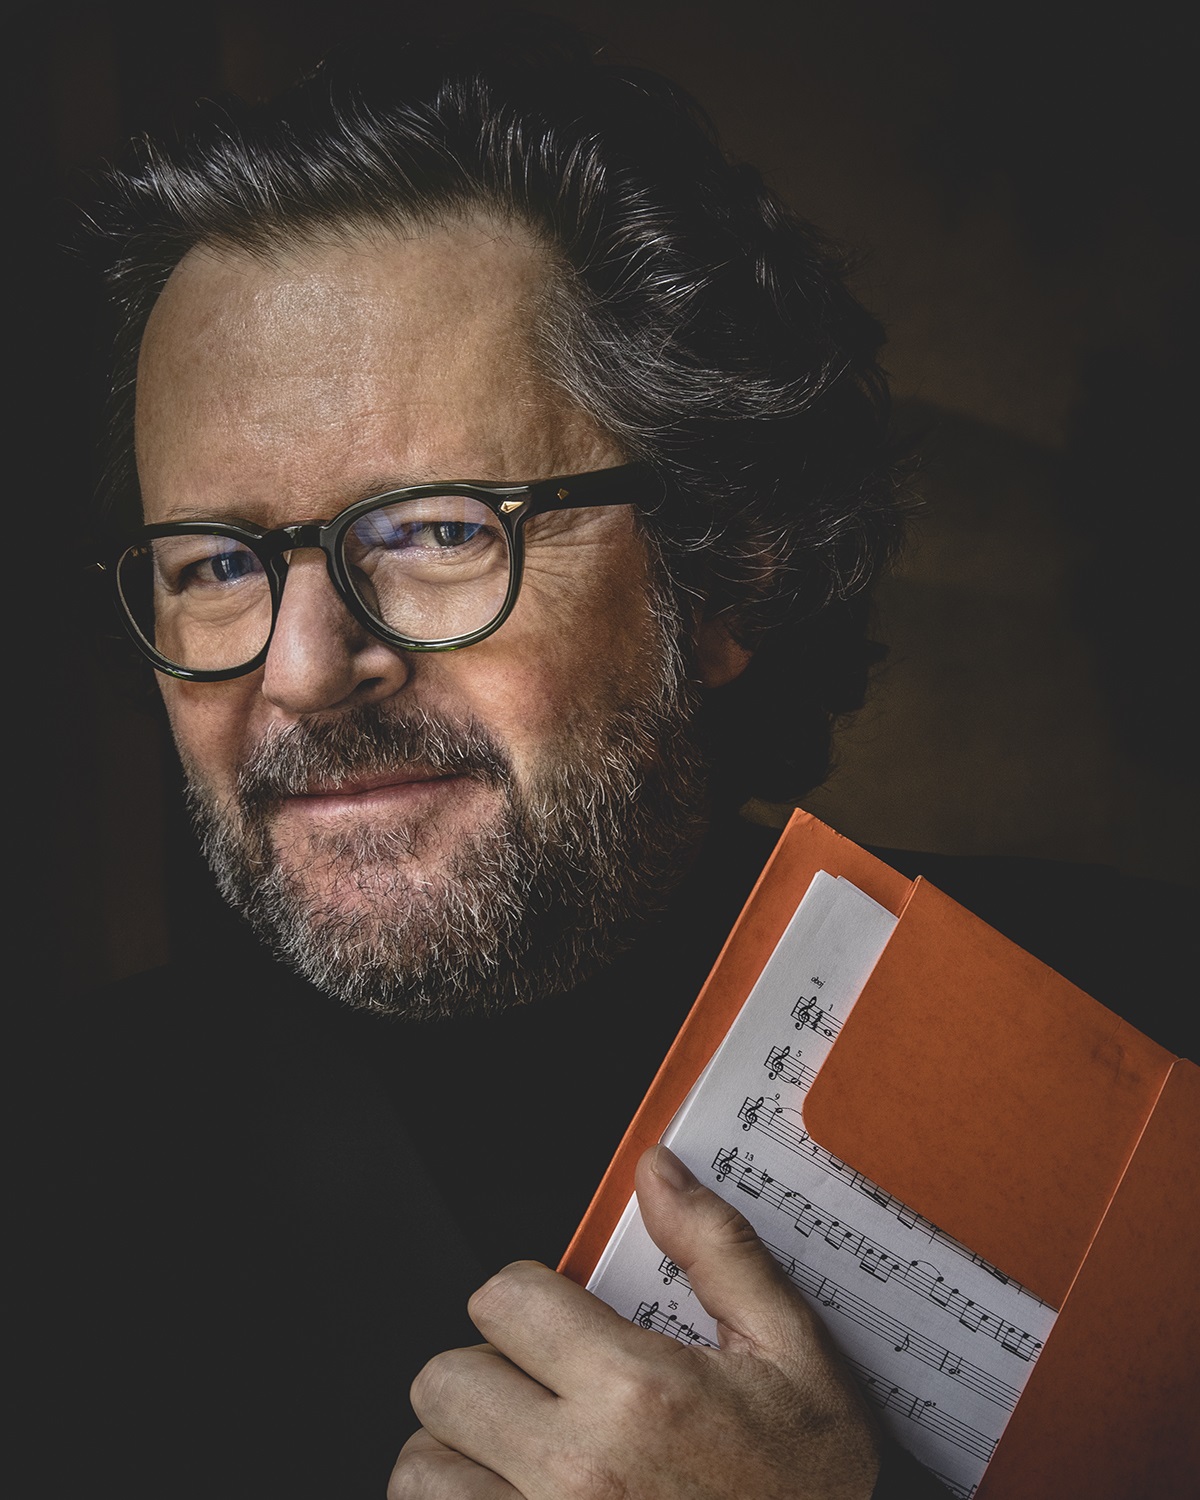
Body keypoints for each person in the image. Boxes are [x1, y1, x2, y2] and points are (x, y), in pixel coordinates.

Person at [55, 17, 1188, 1500]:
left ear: (728, 574)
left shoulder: (1155, 1042)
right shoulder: (45, 1166)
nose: (304, 670)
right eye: (213, 563)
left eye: (438, 531)